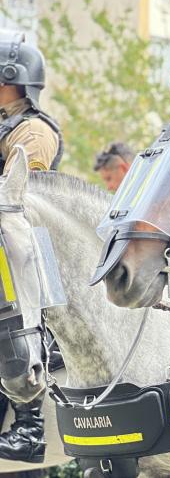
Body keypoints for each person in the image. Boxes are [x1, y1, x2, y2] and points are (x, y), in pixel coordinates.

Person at [0, 29, 64, 463]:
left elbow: (21, 195)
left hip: (27, 245)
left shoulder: (33, 130)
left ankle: (29, 426)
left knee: (14, 304)